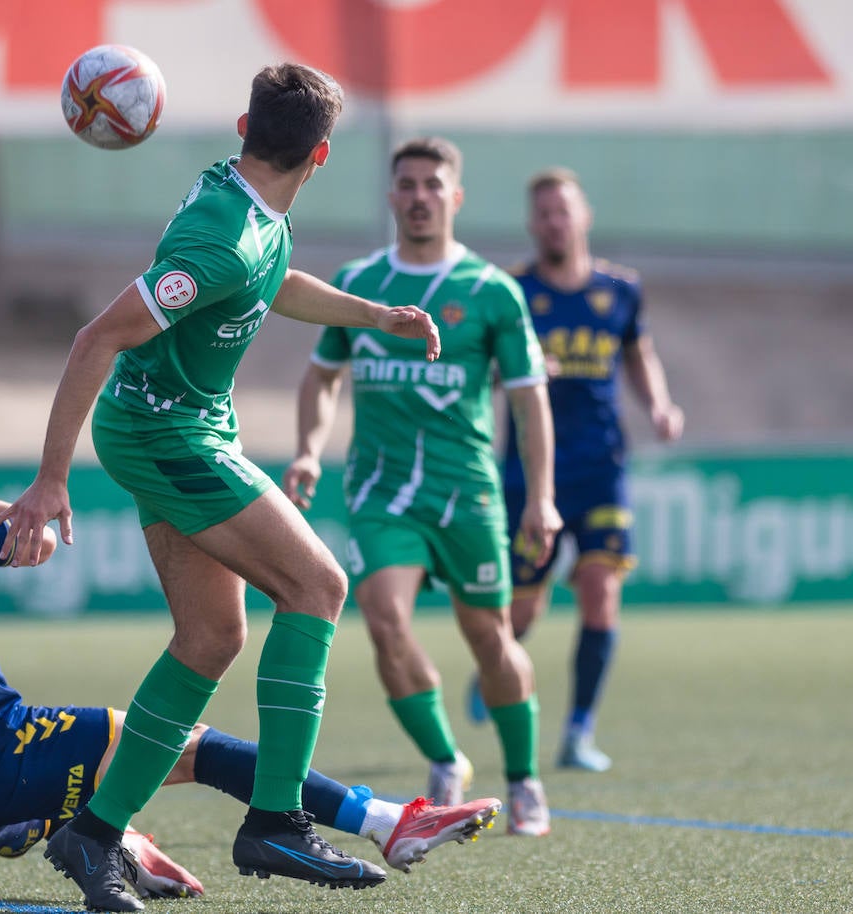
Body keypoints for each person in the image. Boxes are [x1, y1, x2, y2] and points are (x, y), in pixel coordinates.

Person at [0, 64, 452, 910]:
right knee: (319, 587)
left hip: (174, 429)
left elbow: (272, 277)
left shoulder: (243, 206)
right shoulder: (223, 234)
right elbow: (97, 338)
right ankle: (275, 819)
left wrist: (375, 316)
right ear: (320, 155)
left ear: (245, 127)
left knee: (210, 638)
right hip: (169, 434)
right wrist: (49, 479)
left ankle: (94, 837)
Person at [0, 390, 501, 912]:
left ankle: (114, 845)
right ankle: (388, 824)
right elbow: (38, 540)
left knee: (135, 751)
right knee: (182, 744)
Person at [282, 137, 560, 838]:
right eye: (406, 184)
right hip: (380, 492)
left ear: (454, 198)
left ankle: (524, 779)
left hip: (466, 492)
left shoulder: (493, 292)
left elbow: (528, 401)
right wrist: (310, 451)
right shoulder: (359, 280)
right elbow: (322, 376)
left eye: (432, 185)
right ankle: (444, 760)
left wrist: (541, 497)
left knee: (489, 638)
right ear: (390, 197)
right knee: (384, 619)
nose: (418, 196)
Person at [475, 167, 684, 772]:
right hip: (529, 471)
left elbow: (639, 354)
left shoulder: (620, 291)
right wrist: (522, 369)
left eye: (562, 211)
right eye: (542, 213)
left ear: (583, 216)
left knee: (601, 591)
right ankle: (496, 666)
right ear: (531, 224)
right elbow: (481, 372)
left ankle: (578, 731)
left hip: (601, 467)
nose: (553, 222)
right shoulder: (510, 290)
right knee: (522, 610)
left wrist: (661, 406)